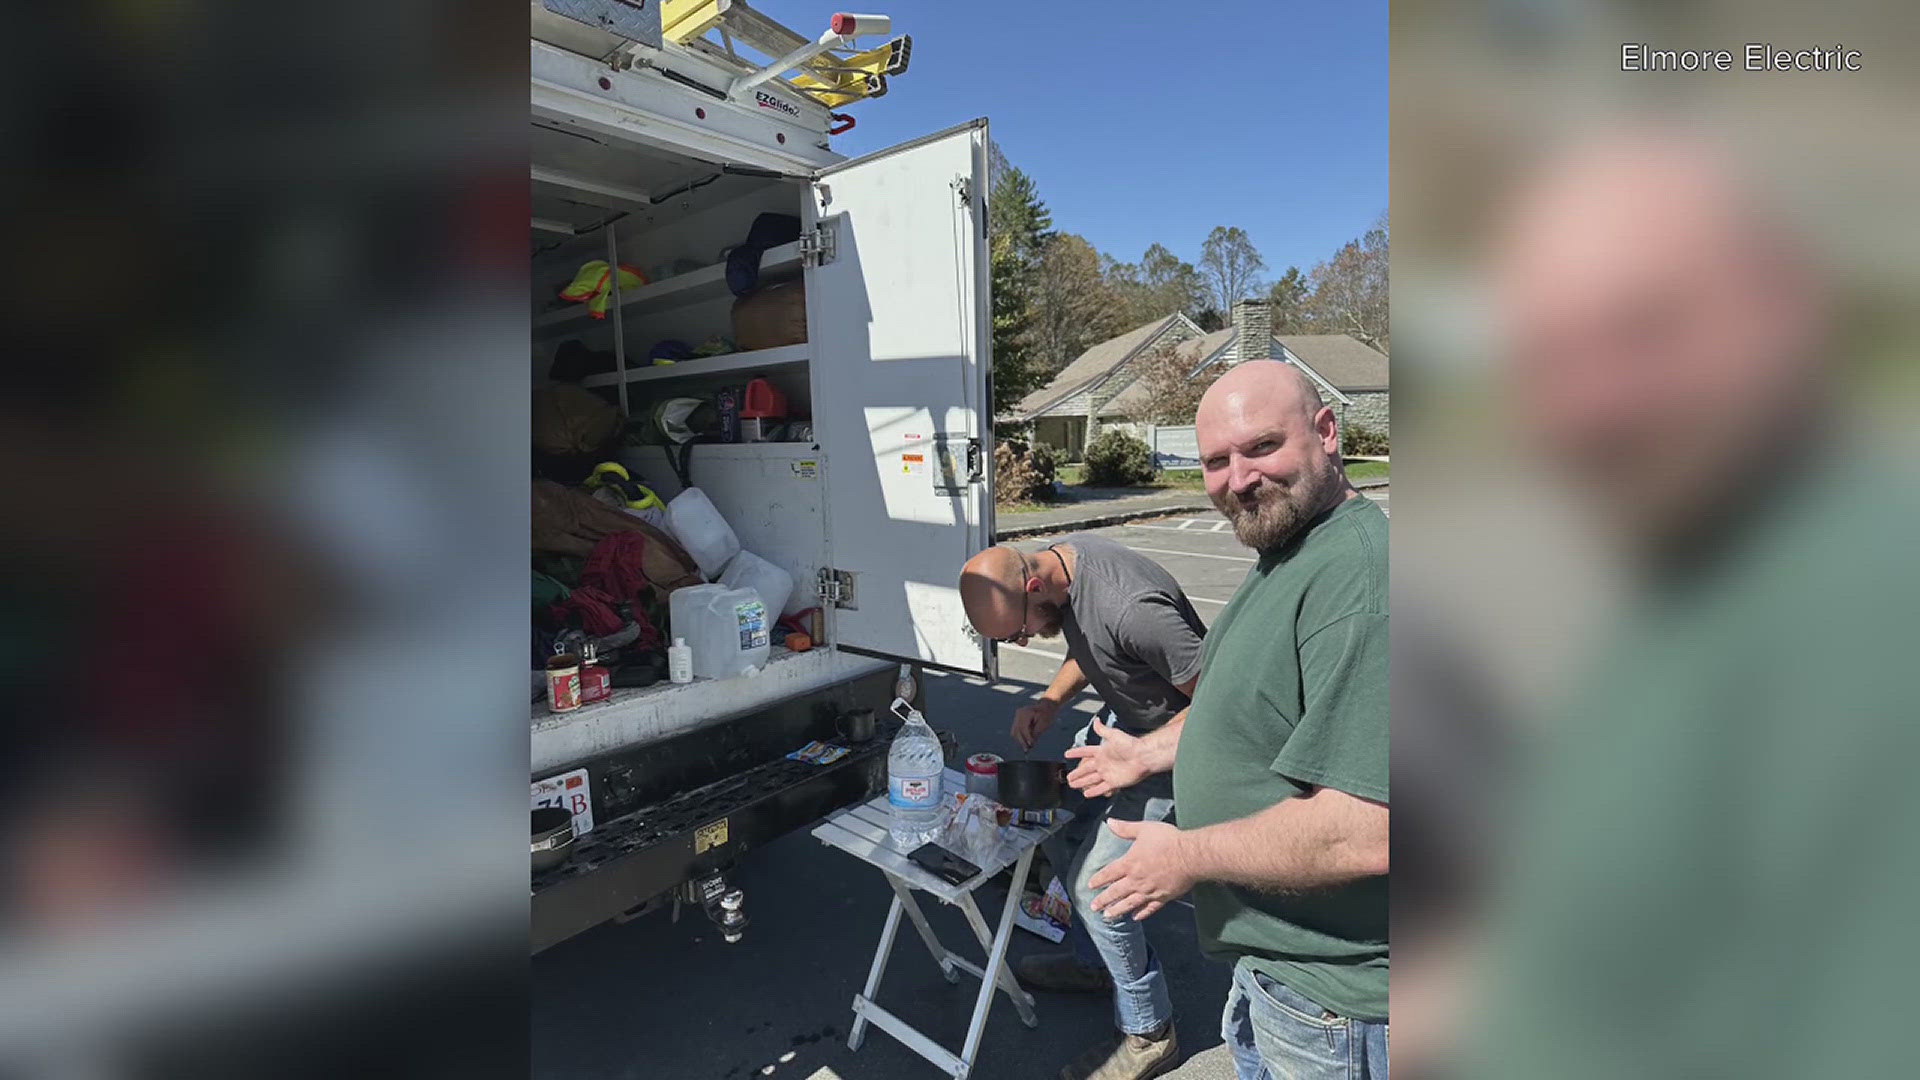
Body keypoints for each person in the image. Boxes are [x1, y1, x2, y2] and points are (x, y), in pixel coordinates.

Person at [1074, 360, 1389, 1080]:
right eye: (1215, 461)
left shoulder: (1363, 581)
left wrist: (1185, 856)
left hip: (1340, 1008)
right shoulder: (1288, 549)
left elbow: (1372, 827)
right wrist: (1146, 755)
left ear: (1327, 432)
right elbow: (1248, 707)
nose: (1238, 479)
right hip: (1279, 977)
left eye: (1261, 448)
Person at [959, 537, 1206, 1080]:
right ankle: (1097, 966)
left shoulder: (1132, 609)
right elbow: (1091, 650)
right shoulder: (1062, 571)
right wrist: (1049, 702)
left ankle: (1150, 1032)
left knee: (1099, 890)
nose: (1026, 639)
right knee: (1064, 826)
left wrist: (1141, 757)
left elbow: (1222, 702)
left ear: (1033, 585)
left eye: (1020, 631)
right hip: (1128, 734)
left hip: (1171, 747)